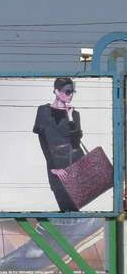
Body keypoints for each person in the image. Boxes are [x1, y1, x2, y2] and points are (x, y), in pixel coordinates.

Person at [34, 77, 85, 211]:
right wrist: (53, 168)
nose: (71, 95)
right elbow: (43, 141)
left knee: (75, 207)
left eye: (73, 92)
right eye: (67, 92)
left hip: (73, 163)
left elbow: (75, 143)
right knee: (63, 204)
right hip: (56, 164)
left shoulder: (75, 114)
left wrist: (70, 118)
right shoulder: (44, 111)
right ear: (57, 91)